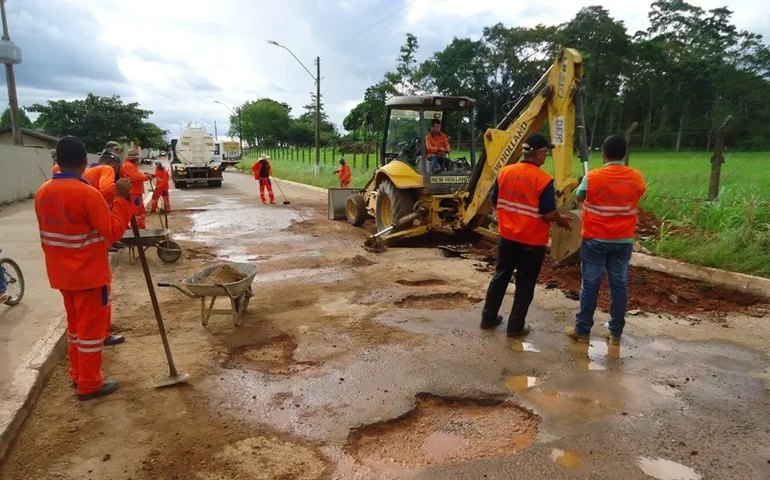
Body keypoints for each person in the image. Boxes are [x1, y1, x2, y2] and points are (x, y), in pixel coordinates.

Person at [34, 136, 136, 401]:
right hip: (88, 274)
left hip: (61, 274)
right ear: (83, 162)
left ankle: (77, 374)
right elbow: (112, 233)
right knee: (90, 333)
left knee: (76, 328)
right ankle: (90, 384)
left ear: (58, 161)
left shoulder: (43, 192)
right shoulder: (87, 194)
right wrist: (123, 201)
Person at [480, 133, 572, 337]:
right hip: (531, 242)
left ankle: (487, 318)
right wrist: (560, 219)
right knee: (525, 283)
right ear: (539, 154)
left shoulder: (504, 172)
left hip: (507, 237)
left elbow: (495, 201)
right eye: (545, 153)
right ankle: (515, 326)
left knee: (500, 276)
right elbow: (547, 213)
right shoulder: (543, 180)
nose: (546, 156)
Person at [564, 135, 646, 345]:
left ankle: (582, 331)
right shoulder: (636, 177)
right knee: (619, 284)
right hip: (622, 240)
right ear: (625, 153)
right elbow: (638, 195)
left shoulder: (593, 177)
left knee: (590, 284)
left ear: (604, 155)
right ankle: (616, 333)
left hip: (595, 239)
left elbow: (580, 197)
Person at [121, 148, 153, 228]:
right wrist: (146, 177)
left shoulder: (131, 165)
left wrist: (144, 174)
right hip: (133, 193)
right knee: (137, 213)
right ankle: (138, 229)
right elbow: (135, 177)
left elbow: (137, 174)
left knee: (140, 212)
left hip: (136, 192)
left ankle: (140, 227)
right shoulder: (128, 165)